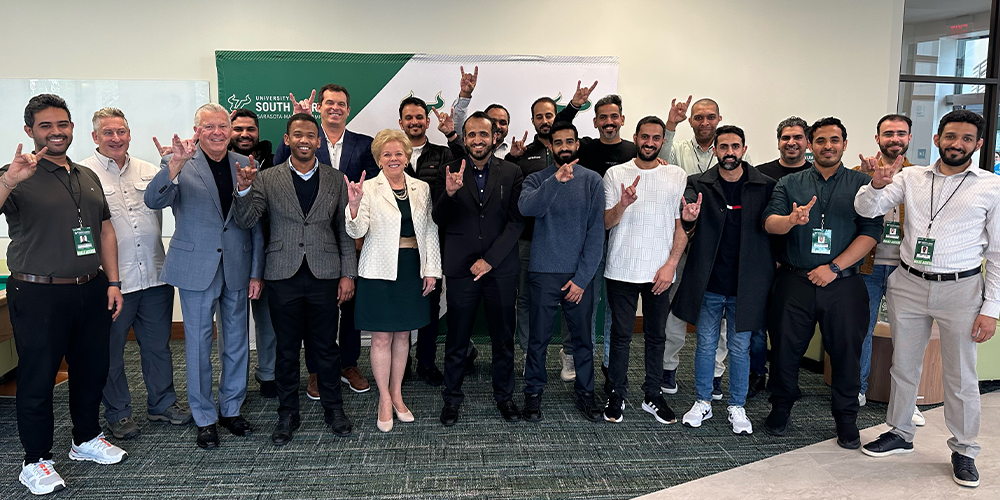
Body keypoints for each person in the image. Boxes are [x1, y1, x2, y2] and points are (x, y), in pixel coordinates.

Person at [856, 110, 998, 489]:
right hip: (909, 283)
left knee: (961, 375)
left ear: (978, 144)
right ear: (937, 139)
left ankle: (965, 448)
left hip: (962, 288)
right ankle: (900, 432)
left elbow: (998, 254)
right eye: (950, 136)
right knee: (903, 366)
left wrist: (991, 309)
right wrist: (874, 184)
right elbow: (866, 209)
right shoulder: (909, 177)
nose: (957, 144)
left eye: (966, 139)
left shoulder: (990, 186)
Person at [2, 94, 128, 495]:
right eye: (46, 126)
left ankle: (85, 440)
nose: (56, 132)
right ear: (29, 131)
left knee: (92, 370)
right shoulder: (16, 172)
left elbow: (104, 229)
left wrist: (112, 281)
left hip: (90, 289)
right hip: (39, 292)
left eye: (63, 124)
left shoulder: (85, 174)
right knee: (38, 378)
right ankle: (35, 460)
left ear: (73, 128)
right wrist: (8, 182)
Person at [144, 103, 264, 449]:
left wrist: (243, 192)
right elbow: (154, 200)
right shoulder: (179, 161)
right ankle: (205, 417)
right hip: (196, 268)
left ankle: (230, 409)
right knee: (198, 345)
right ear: (197, 130)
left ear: (230, 130)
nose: (216, 132)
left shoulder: (244, 164)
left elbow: (250, 221)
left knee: (237, 342)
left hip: (237, 266)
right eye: (208, 126)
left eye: (222, 126)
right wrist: (174, 166)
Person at [234, 113, 357, 444]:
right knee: (286, 349)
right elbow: (247, 221)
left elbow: (344, 231)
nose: (305, 139)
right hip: (282, 274)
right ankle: (287, 413)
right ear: (287, 140)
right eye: (298, 134)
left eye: (311, 135)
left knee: (326, 348)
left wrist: (348, 273)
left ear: (319, 141)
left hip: (325, 274)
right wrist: (244, 190)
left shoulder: (336, 178)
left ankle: (334, 408)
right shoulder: (266, 178)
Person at [761, 117, 882, 449]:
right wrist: (791, 220)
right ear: (810, 145)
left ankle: (846, 420)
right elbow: (770, 224)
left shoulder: (863, 183)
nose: (827, 146)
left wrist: (833, 266)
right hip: (794, 283)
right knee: (784, 351)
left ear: (844, 143)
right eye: (821, 141)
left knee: (846, 354)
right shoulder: (790, 183)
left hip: (843, 284)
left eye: (834, 140)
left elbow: (871, 233)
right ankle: (780, 410)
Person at [80, 108, 192, 441]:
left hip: (155, 276)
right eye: (108, 132)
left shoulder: (148, 169)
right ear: (95, 137)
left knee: (158, 347)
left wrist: (174, 166)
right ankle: (118, 413)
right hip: (112, 283)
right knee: (111, 352)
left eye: (121, 132)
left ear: (129, 134)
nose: (116, 138)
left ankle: (162, 404)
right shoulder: (82, 175)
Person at [674, 125, 776, 434]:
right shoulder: (698, 183)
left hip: (746, 285)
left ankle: (737, 406)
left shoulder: (765, 186)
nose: (729, 152)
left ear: (744, 150)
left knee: (740, 346)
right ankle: (703, 401)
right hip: (709, 283)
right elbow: (687, 219)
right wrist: (688, 217)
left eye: (735, 147)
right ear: (715, 150)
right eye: (723, 147)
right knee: (705, 345)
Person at [279, 84, 380, 396]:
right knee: (316, 310)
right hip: (312, 240)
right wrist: (299, 118)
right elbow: (280, 168)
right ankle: (316, 369)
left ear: (348, 110)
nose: (335, 108)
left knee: (351, 306)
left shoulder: (364, 144)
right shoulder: (305, 139)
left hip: (353, 236)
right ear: (319, 108)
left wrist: (362, 233)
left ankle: (348, 363)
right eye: (329, 103)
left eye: (341, 104)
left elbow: (375, 190)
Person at [345, 129, 442, 432]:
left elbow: (429, 230)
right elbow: (355, 231)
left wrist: (432, 269)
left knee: (403, 336)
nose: (393, 158)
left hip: (412, 267)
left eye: (398, 153)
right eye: (387, 154)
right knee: (382, 337)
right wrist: (354, 206)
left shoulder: (421, 188)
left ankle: (398, 393)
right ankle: (384, 399)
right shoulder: (369, 188)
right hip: (378, 270)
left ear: (407, 155)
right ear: (378, 158)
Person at [657, 96, 752, 398]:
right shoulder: (680, 151)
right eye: (698, 117)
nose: (704, 122)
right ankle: (668, 367)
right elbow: (657, 155)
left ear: (719, 119)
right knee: (675, 309)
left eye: (710, 117)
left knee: (722, 315)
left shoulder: (730, 153)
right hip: (682, 241)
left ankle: (715, 374)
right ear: (691, 121)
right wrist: (671, 122)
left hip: (721, 248)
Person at [434, 112, 525, 426]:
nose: (476, 140)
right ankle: (452, 399)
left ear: (494, 137)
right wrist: (448, 193)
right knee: (457, 339)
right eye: (470, 134)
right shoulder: (450, 169)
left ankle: (505, 397)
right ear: (465, 137)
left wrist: (491, 259)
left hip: (499, 268)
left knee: (503, 339)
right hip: (461, 268)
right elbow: (438, 218)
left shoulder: (512, 171)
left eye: (482, 135)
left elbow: (516, 221)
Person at [518, 121, 605, 422]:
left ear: (577, 144)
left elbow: (596, 234)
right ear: (550, 146)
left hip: (579, 275)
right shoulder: (536, 179)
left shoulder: (592, 181)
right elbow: (528, 208)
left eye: (570, 141)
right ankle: (533, 394)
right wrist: (555, 180)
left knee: (582, 339)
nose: (564, 147)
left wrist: (582, 279)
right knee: (538, 340)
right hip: (543, 271)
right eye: (558, 142)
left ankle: (586, 394)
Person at [602, 116, 685, 425]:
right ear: (635, 138)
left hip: (660, 272)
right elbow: (606, 222)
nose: (650, 142)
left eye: (656, 138)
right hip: (621, 268)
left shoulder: (676, 175)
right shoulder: (615, 174)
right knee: (620, 334)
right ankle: (617, 393)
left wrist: (671, 265)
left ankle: (652, 394)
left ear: (662, 141)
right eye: (644, 137)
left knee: (655, 336)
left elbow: (681, 226)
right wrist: (623, 204)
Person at [508, 86, 594, 379]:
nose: (544, 120)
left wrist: (573, 105)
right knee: (526, 302)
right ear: (532, 121)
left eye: (550, 115)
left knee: (573, 299)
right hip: (529, 242)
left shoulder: (577, 155)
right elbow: (513, 192)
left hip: (567, 245)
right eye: (539, 116)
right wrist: (511, 157)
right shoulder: (525, 154)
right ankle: (529, 353)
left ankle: (569, 355)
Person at [556, 92, 638, 387]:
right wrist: (575, 103)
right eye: (603, 117)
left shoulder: (633, 150)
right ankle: (578, 356)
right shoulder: (585, 148)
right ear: (595, 121)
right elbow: (560, 124)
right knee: (582, 301)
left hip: (624, 237)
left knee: (616, 305)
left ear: (622, 119)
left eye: (614, 116)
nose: (608, 122)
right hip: (587, 237)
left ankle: (608, 361)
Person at [852, 114, 923, 429]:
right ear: (877, 137)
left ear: (909, 138)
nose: (894, 138)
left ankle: (907, 401)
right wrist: (868, 180)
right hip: (867, 265)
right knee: (862, 329)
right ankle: (858, 389)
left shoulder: (922, 177)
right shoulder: (858, 172)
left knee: (908, 334)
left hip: (906, 268)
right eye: (888, 133)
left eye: (901, 133)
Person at [748, 116, 814, 398]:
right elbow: (754, 222)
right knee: (756, 324)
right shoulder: (759, 174)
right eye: (786, 138)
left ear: (807, 142)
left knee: (789, 329)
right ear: (778, 142)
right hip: (764, 261)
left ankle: (784, 378)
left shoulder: (817, 175)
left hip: (799, 265)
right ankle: (756, 374)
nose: (791, 142)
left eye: (798, 137)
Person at [400, 96, 455, 386]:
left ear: (427, 121)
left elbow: (460, 172)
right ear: (401, 123)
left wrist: (452, 133)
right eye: (409, 118)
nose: (414, 122)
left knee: (431, 304)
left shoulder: (443, 154)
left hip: (434, 241)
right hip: (400, 243)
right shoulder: (392, 153)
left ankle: (426, 362)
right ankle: (402, 362)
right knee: (404, 303)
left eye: (419, 117)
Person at [228, 107, 279, 399]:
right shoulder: (217, 161)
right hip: (230, 254)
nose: (245, 134)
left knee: (267, 322)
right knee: (233, 327)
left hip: (267, 254)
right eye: (238, 129)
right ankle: (233, 384)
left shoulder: (272, 163)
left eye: (250, 129)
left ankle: (268, 374)